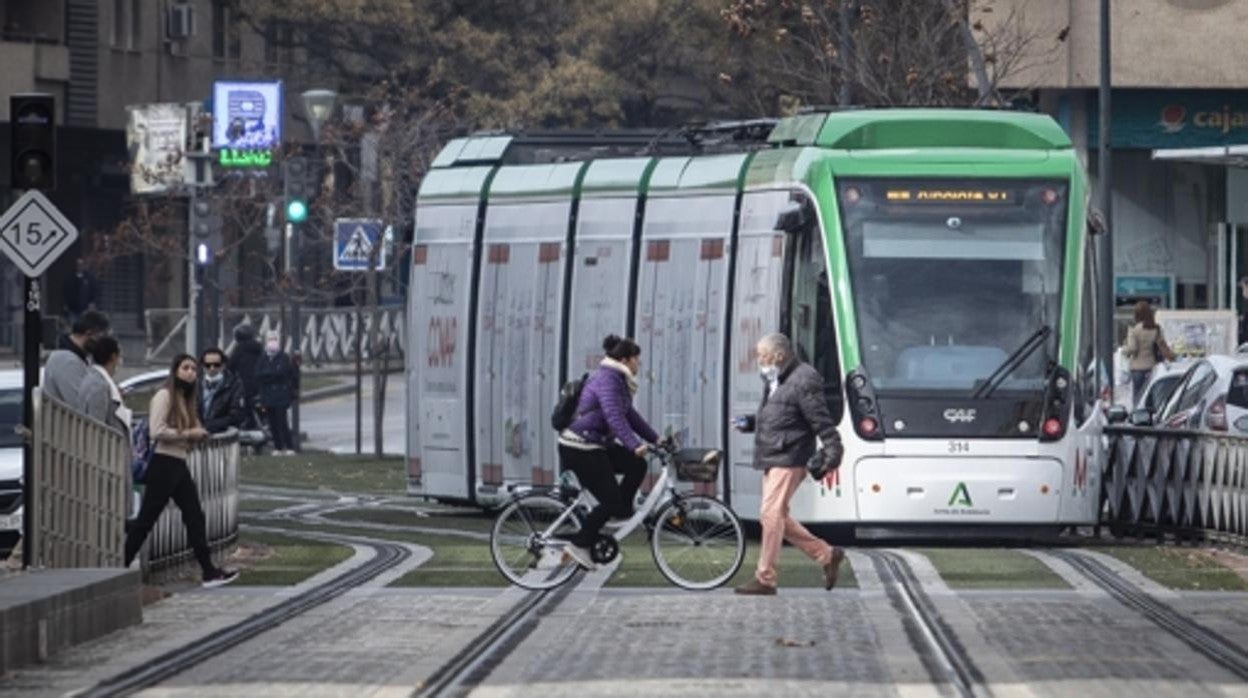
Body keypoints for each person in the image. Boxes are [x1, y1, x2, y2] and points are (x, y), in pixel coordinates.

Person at [732, 332, 845, 596]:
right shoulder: (776, 378)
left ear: (779, 355)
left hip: (789, 456)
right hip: (775, 454)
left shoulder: (803, 380)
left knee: (770, 515)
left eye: (763, 356)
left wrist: (832, 449)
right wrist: (750, 423)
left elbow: (820, 420)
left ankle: (765, 578)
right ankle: (827, 555)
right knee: (777, 515)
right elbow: (780, 414)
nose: (759, 361)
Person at [123, 354, 238, 588]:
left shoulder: (187, 399)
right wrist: (188, 435)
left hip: (178, 463)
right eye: (185, 368)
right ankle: (119, 568)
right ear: (175, 370)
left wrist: (196, 435)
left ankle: (208, 571)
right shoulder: (164, 396)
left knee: (194, 516)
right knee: (147, 520)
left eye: (194, 369)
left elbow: (192, 428)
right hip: (164, 464)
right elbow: (156, 430)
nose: (191, 372)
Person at [556, 334, 659, 569]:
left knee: (636, 465)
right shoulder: (608, 380)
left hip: (595, 444)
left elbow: (629, 415)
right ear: (624, 359)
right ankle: (579, 544)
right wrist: (634, 445)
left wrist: (656, 438)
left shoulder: (617, 380)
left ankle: (620, 510)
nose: (638, 364)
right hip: (579, 447)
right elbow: (614, 417)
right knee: (610, 499)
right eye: (636, 359)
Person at [43, 310, 111, 406]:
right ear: (90, 333)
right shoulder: (65, 361)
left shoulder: (81, 358)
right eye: (102, 339)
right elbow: (82, 406)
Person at [1123, 300, 1175, 406]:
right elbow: (1163, 346)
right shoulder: (1156, 328)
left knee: (1137, 395)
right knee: (1151, 394)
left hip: (1137, 368)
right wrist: (1173, 357)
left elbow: (1132, 348)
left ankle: (1138, 415)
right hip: (1152, 366)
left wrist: (1124, 350)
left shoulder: (1134, 329)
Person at [78, 335, 131, 438]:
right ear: (113, 356)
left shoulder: (93, 379)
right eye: (119, 356)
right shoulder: (99, 385)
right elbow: (96, 428)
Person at [256, 332, 296, 455]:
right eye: (270, 339)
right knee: (272, 422)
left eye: (274, 339)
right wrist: (272, 374)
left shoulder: (283, 357)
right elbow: (258, 374)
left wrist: (269, 375)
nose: (272, 342)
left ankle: (289, 447)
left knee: (282, 421)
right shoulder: (263, 358)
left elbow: (283, 373)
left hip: (281, 395)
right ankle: (278, 447)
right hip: (267, 396)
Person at [197, 347, 247, 434]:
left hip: (223, 437)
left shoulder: (234, 385)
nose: (212, 368)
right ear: (202, 366)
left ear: (223, 365)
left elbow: (237, 415)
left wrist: (210, 426)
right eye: (208, 365)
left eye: (216, 365)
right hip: (197, 437)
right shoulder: (195, 384)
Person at [228, 323, 264, 423]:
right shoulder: (259, 348)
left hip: (246, 382)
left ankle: (249, 420)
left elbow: (230, 365)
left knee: (244, 402)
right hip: (261, 382)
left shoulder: (239, 350)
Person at [61, 257, 99, 329]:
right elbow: (65, 291)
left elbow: (95, 291)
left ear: (84, 265)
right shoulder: (70, 277)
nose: (79, 266)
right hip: (73, 309)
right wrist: (65, 304)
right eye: (78, 264)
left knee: (85, 329)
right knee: (74, 328)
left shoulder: (89, 278)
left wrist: (93, 302)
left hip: (85, 309)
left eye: (81, 264)